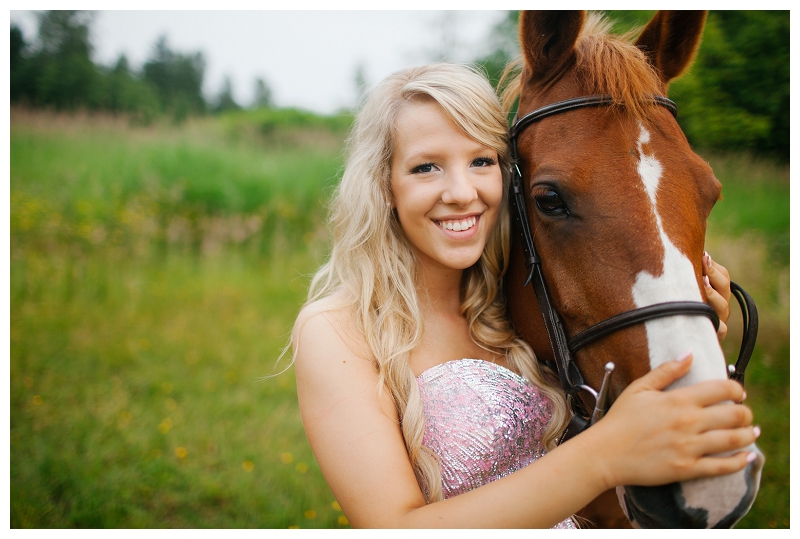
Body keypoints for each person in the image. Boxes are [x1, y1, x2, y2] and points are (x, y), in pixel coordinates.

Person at [291, 63, 756, 528]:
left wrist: (689, 329)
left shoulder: (518, 307)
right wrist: (604, 453)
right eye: (426, 167)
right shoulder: (337, 331)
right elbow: (392, 529)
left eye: (481, 161)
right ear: (384, 184)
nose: (461, 192)